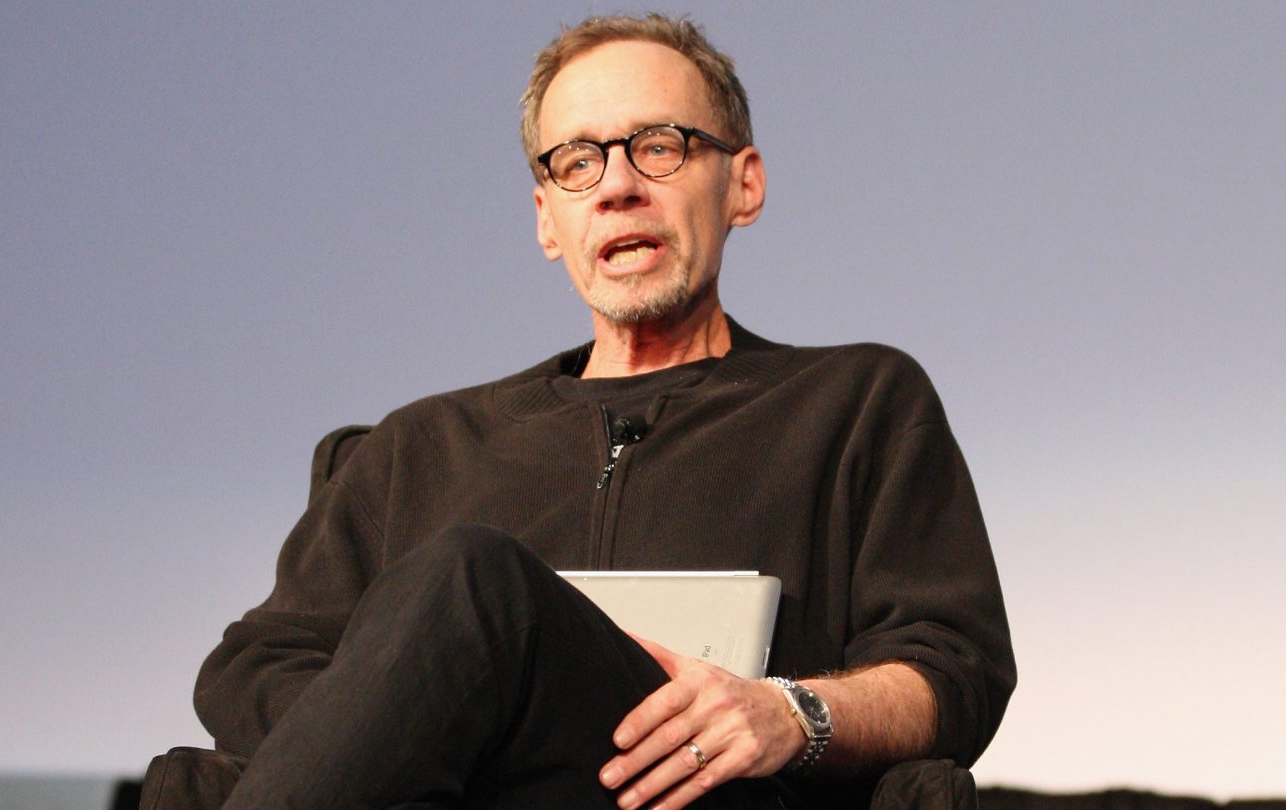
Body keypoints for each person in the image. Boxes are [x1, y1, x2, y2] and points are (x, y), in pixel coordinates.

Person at [163, 13, 1015, 810]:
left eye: (659, 147)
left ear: (743, 186)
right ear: (548, 218)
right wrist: (435, 707)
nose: (616, 186)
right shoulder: (417, 446)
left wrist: (790, 713)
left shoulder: (857, 404)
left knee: (472, 581)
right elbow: (255, 666)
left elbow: (953, 668)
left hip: (707, 797)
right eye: (576, 162)